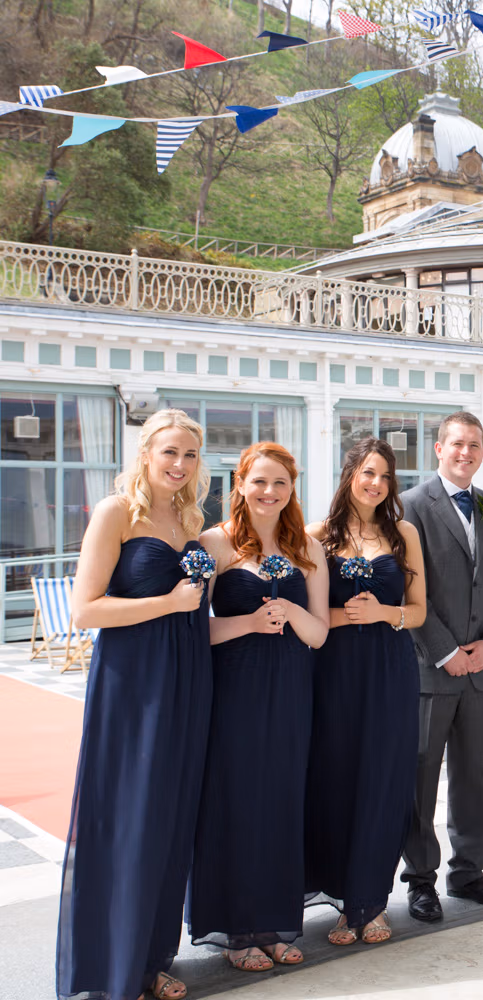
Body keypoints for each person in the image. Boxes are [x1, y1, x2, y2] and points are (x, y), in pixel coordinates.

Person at [57, 409, 212, 1000]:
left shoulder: (192, 518)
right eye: (169, 451)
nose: (180, 464)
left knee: (171, 818)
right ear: (146, 453)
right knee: (130, 817)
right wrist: (168, 604)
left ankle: (152, 960)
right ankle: (114, 967)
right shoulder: (116, 512)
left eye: (190, 454)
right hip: (134, 681)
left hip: (188, 677)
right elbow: (85, 609)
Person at [189, 443, 329, 971]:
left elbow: (319, 634)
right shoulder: (215, 543)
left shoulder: (307, 547)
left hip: (291, 689)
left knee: (281, 801)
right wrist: (248, 622)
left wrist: (290, 609)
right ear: (241, 484)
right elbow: (191, 629)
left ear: (292, 489)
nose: (270, 492)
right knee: (237, 802)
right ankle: (237, 928)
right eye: (260, 482)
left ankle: (273, 922)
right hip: (235, 691)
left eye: (280, 483)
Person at [399, 412, 483, 922]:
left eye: (474, 445)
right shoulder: (410, 505)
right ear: (439, 449)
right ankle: (419, 880)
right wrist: (447, 651)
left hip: (482, 669)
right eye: (457, 444)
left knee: (476, 776)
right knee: (421, 777)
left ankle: (469, 872)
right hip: (431, 666)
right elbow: (408, 585)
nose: (466, 452)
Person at [305, 438, 428, 945]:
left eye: (385, 476)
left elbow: (418, 611)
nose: (376, 483)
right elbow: (306, 612)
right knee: (336, 779)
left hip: (390, 670)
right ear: (350, 474)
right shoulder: (317, 535)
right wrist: (346, 615)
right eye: (368, 473)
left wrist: (383, 613)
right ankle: (343, 900)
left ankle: (372, 902)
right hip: (334, 672)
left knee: (384, 780)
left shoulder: (403, 533)